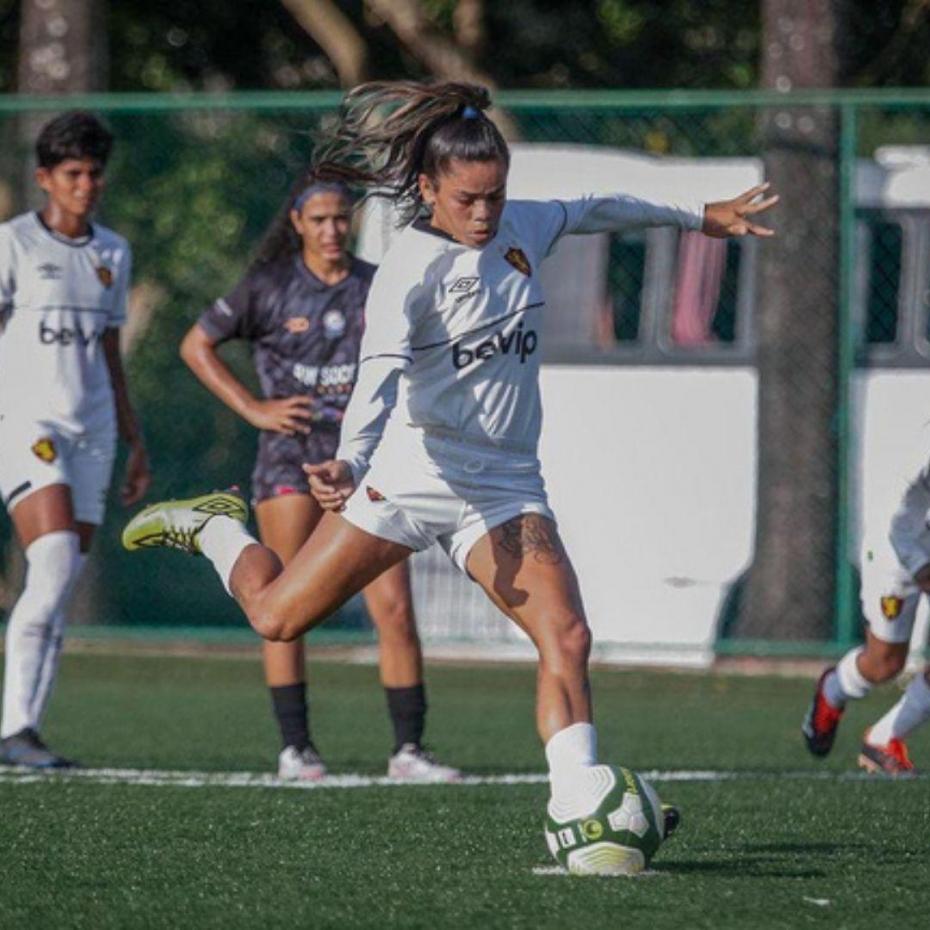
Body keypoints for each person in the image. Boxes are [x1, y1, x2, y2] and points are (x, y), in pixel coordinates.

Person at [123, 81, 775, 837]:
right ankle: (214, 529)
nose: (483, 213)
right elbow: (379, 373)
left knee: (566, 637)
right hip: (412, 476)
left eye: (495, 196)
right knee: (276, 619)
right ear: (428, 187)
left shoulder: (526, 224)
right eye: (466, 198)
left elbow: (601, 206)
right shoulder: (412, 268)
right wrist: (351, 461)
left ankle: (577, 805)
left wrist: (701, 217)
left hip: (503, 486)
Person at [178, 173, 458, 781]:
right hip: (290, 460)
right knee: (284, 602)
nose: (332, 230)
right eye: (320, 219)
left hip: (363, 462)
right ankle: (296, 747)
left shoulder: (375, 285)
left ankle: (409, 749)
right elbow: (196, 345)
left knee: (395, 606)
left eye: (341, 218)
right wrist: (254, 408)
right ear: (298, 224)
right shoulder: (269, 287)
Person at [0, 111, 149, 768]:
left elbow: (110, 351)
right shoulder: (13, 246)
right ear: (44, 179)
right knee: (54, 559)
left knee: (60, 584)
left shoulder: (112, 252)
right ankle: (13, 730)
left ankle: (25, 729)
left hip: (94, 433)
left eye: (94, 174)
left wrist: (134, 438)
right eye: (72, 174)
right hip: (26, 425)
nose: (86, 185)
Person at [802, 435, 930, 775]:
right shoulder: (922, 449)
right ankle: (833, 688)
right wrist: (923, 571)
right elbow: (897, 526)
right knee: (885, 664)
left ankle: (883, 740)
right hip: (897, 552)